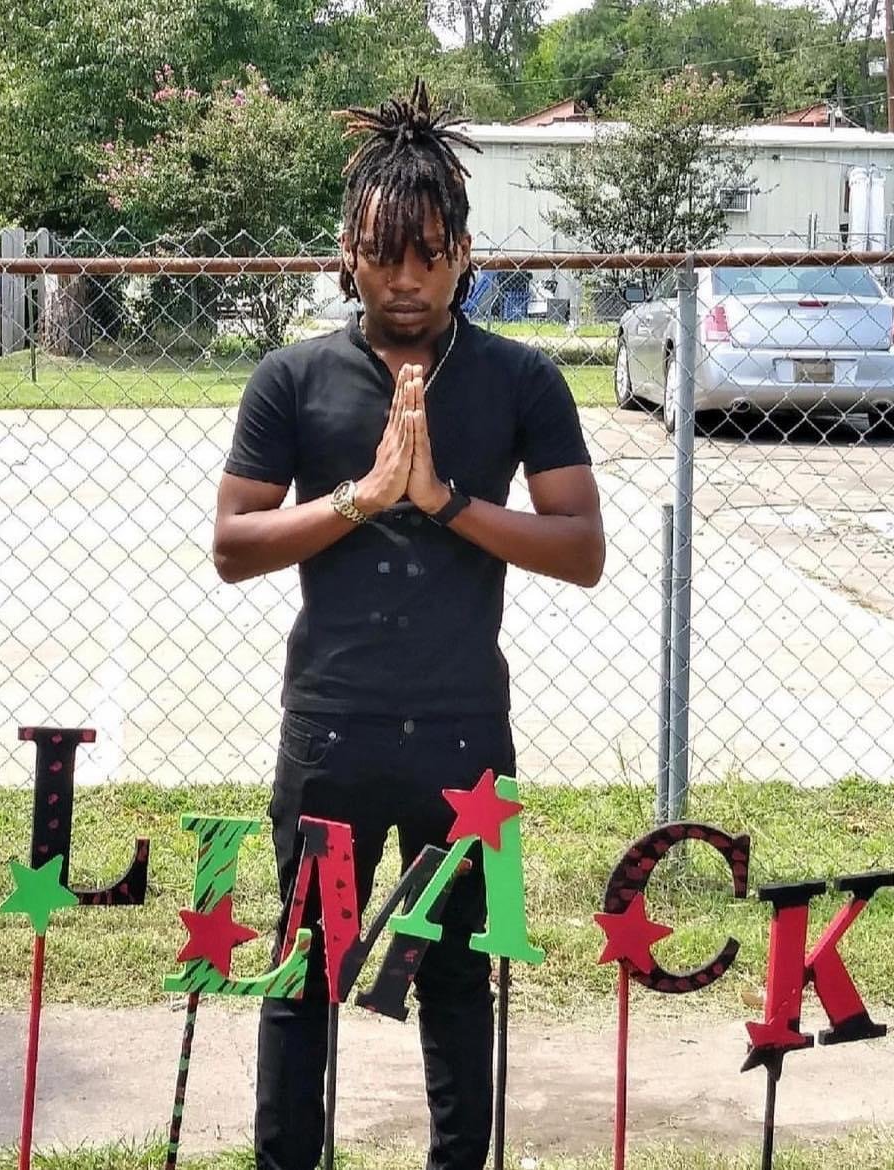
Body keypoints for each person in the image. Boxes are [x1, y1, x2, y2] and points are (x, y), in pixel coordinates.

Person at [212, 78, 605, 1170]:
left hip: (464, 738)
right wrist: (360, 498)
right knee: (307, 974)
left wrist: (442, 501)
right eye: (386, 254)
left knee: (460, 980)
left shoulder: (521, 378)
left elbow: (581, 550)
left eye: (429, 254)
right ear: (349, 254)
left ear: (464, 255)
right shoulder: (293, 378)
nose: (407, 278)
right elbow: (233, 546)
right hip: (331, 732)